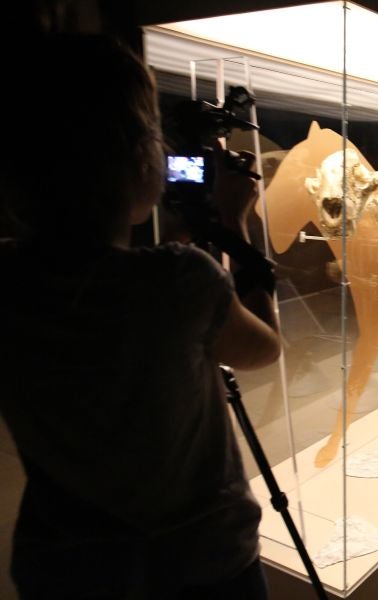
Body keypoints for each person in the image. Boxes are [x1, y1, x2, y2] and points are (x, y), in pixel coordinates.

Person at [0, 34, 280, 599]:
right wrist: (234, 224)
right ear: (140, 159)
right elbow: (264, 348)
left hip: (65, 569)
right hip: (200, 566)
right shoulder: (182, 280)